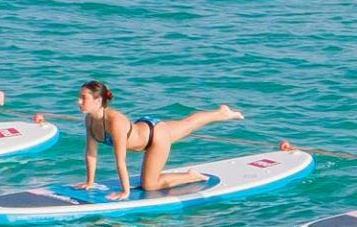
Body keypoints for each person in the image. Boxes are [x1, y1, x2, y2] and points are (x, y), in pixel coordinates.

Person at [75, 81, 243, 200]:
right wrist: (89, 182)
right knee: (188, 123)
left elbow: (121, 161)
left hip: (155, 138)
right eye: (79, 97)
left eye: (84, 98)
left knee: (149, 185)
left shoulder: (115, 121)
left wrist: (125, 192)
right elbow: (91, 154)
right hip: (148, 127)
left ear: (98, 100)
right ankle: (222, 113)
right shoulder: (89, 120)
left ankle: (190, 176)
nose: (79, 101)